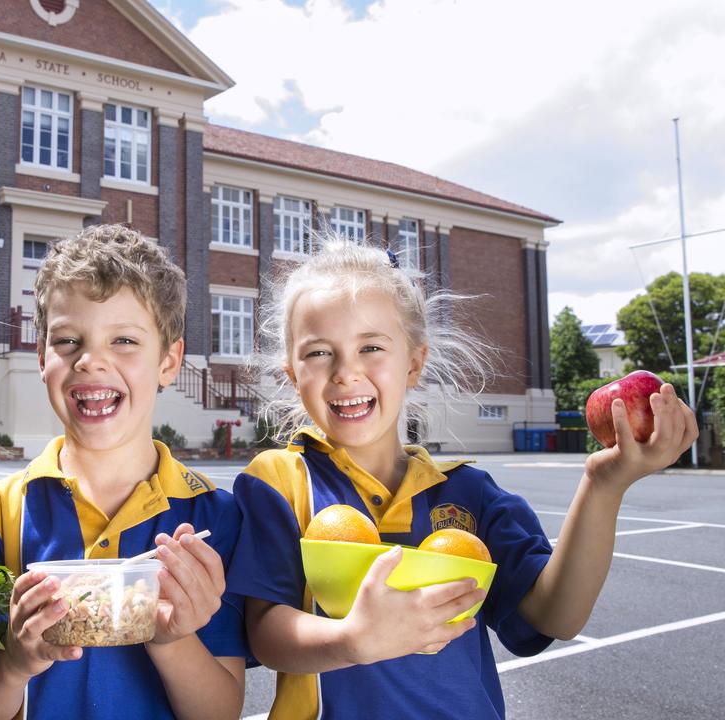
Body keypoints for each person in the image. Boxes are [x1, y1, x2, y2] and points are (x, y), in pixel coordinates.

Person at [228, 236, 698, 719]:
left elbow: (557, 615)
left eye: (371, 346)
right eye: (319, 353)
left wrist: (605, 485)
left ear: (414, 363)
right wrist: (354, 640)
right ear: (291, 374)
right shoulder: (278, 481)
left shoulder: (471, 493)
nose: (347, 371)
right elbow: (266, 634)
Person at [0, 225, 249, 720]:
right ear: (42, 359)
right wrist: (15, 663)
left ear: (169, 360)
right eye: (69, 340)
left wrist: (172, 638)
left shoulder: (214, 519)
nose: (91, 361)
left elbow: (220, 712)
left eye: (124, 340)